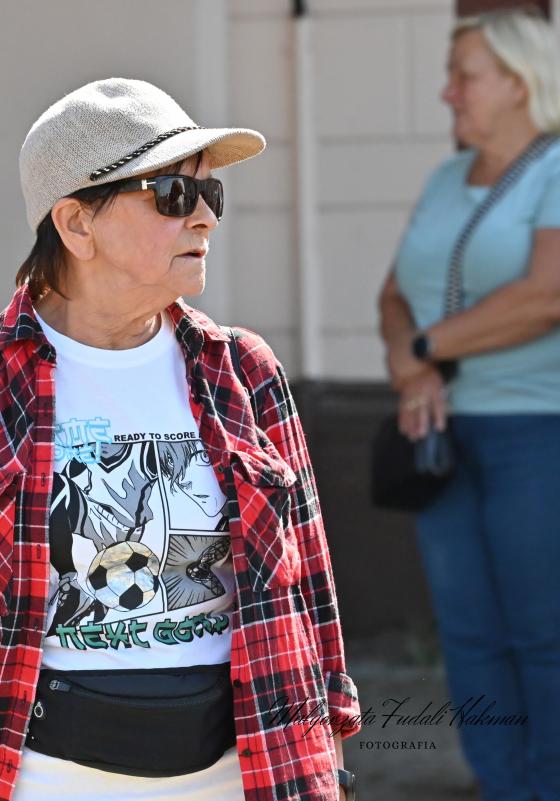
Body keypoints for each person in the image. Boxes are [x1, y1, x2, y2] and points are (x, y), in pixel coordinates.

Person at [0, 78, 361, 801]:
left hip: (241, 773)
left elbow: (310, 581)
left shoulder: (242, 370)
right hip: (38, 777)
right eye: (173, 193)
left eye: (211, 194)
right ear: (76, 224)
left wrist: (329, 749)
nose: (205, 217)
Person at [378, 9, 560, 800]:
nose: (448, 92)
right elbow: (393, 294)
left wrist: (425, 349)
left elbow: (545, 296)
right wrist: (410, 365)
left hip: (538, 431)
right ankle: (501, 784)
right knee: (470, 633)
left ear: (520, 83)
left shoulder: (556, 169)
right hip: (440, 432)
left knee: (544, 633)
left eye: (465, 76)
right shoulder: (445, 180)